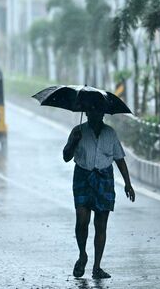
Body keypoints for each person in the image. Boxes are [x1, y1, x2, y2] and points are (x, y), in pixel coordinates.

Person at [63, 110, 135, 279]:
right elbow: (66, 157)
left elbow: (119, 159)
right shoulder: (78, 131)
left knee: (100, 225)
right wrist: (73, 142)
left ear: (103, 114)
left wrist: (128, 183)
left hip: (104, 180)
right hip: (82, 178)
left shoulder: (110, 133)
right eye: (92, 112)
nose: (96, 116)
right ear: (87, 113)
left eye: (99, 112)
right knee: (82, 220)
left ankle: (97, 267)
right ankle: (82, 255)